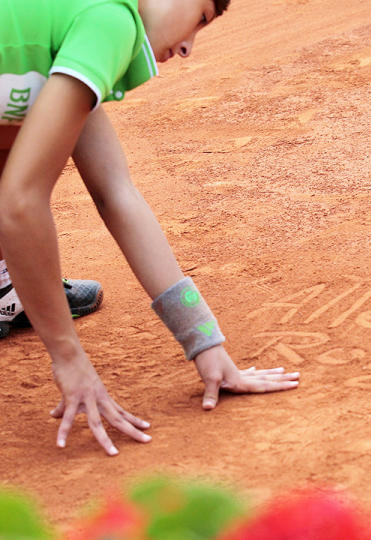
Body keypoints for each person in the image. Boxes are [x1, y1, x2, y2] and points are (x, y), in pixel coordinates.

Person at [0, 0, 300, 457]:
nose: (186, 46)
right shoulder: (111, 21)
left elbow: (116, 195)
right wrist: (68, 357)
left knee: (19, 127)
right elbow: (19, 203)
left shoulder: (80, 20)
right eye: (200, 18)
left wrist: (204, 343)